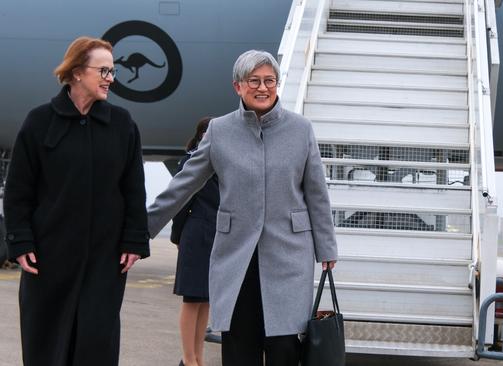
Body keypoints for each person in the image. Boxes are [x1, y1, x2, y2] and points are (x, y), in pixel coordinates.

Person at [147, 49, 338, 366]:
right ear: (238, 86)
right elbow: (185, 183)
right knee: (239, 348)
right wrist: (141, 229)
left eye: (269, 81)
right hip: (236, 258)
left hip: (289, 256)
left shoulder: (300, 130)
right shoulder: (220, 131)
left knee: (284, 348)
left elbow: (317, 193)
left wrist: (326, 247)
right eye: (254, 81)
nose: (263, 88)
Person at [2, 36, 150, 366]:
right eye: (104, 71)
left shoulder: (122, 124)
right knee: (47, 341)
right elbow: (18, 191)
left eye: (112, 72)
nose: (111, 78)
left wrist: (134, 240)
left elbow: (133, 190)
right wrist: (20, 240)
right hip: (48, 257)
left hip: (105, 259)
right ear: (78, 72)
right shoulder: (39, 122)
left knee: (96, 343)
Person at [171, 117, 219, 366]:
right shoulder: (192, 161)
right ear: (202, 135)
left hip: (216, 237)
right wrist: (177, 236)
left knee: (206, 299)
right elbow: (180, 200)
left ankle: (197, 356)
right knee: (192, 299)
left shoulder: (221, 161)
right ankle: (189, 359)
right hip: (197, 233)